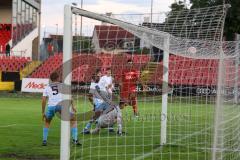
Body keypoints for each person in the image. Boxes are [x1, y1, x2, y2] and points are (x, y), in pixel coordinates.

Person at [42, 72, 81, 146]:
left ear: (51, 79)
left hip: (51, 107)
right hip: (61, 106)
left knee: (47, 122)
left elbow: (43, 100)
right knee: (73, 120)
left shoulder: (47, 87)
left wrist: (43, 112)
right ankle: (75, 140)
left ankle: (44, 140)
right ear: (58, 78)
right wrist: (73, 105)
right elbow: (69, 96)